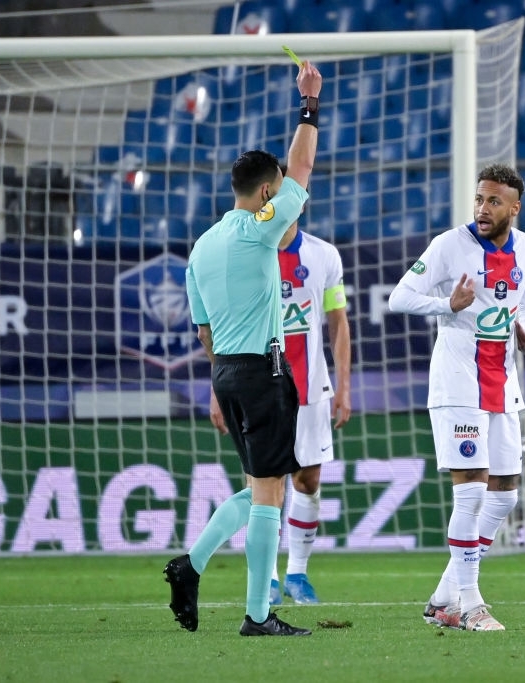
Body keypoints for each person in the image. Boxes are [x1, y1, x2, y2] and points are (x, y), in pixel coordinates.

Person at [164, 58, 322, 636]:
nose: (285, 201)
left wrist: (217, 384)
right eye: (277, 194)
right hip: (263, 371)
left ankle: (192, 564)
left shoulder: (200, 249)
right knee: (269, 497)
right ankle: (257, 615)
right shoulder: (259, 225)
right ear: (263, 192)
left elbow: (203, 332)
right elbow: (300, 168)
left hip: (227, 373)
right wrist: (308, 104)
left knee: (262, 485)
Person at [388, 164, 525, 631]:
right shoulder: (448, 246)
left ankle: (443, 597)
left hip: (502, 382)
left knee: (504, 493)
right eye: (479, 198)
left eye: (494, 201)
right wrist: (446, 306)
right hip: (458, 381)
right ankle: (471, 603)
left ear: (514, 209)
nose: (482, 208)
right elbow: (400, 296)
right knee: (472, 489)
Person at [195, 212, 352, 606]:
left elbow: (338, 322)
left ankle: (298, 572)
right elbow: (217, 326)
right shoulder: (246, 254)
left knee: (307, 482)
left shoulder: (325, 256)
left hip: (310, 388)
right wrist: (218, 389)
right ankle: (267, 579)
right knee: (262, 485)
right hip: (259, 385)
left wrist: (344, 388)